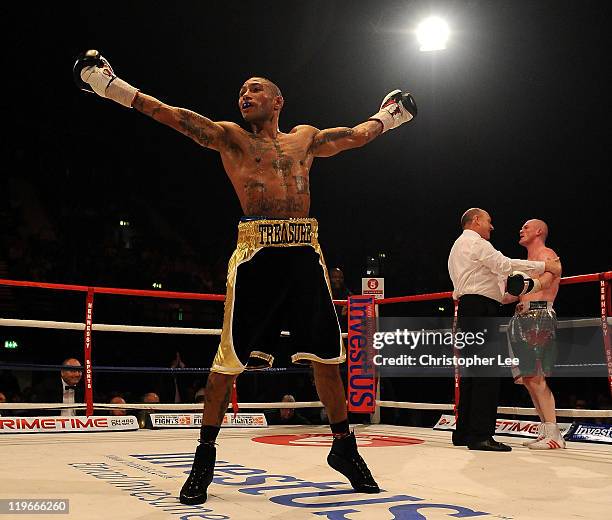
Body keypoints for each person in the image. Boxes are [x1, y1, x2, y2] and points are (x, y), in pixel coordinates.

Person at [75, 49, 416, 504]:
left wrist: (390, 115)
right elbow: (173, 116)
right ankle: (204, 456)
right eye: (241, 91)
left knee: (328, 358)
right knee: (227, 362)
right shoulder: (232, 138)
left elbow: (355, 136)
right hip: (257, 255)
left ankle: (344, 447)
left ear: (278, 101)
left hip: (304, 252)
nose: (244, 95)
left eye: (254, 89)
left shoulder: (306, 138)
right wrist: (111, 86)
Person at [447, 208, 560, 451]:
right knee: (487, 374)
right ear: (476, 220)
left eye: (527, 227)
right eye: (489, 221)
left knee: (475, 374)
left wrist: (538, 277)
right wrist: (541, 269)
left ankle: (466, 432)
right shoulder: (476, 243)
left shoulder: (458, 246)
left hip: (486, 309)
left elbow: (510, 287)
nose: (492, 226)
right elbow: (505, 266)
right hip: (484, 310)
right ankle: (480, 435)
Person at [506, 219, 565, 449]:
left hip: (539, 316)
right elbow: (515, 294)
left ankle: (554, 435)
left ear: (539, 231)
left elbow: (546, 280)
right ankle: (545, 431)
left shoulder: (547, 253)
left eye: (526, 227)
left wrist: (522, 285)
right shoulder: (527, 261)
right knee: (529, 380)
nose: (521, 230)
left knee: (537, 378)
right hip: (522, 318)